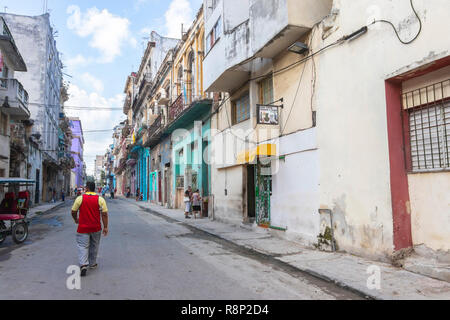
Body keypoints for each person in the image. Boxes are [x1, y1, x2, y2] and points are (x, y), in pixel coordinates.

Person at [71, 181, 109, 277]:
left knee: (82, 246)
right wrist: (105, 227)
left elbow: (73, 211)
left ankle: (83, 264)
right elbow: (104, 214)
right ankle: (92, 263)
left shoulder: (80, 198)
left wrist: (76, 219)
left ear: (87, 188)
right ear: (94, 188)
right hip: (96, 227)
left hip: (83, 227)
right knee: (94, 245)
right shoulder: (100, 199)